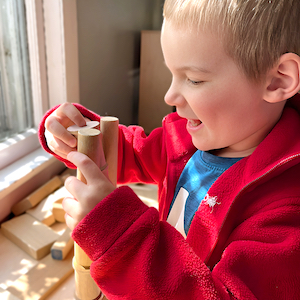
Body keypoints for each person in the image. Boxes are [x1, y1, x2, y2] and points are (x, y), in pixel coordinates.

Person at [39, 0, 300, 299]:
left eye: (194, 79)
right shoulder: (188, 140)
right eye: (172, 74)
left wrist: (118, 237)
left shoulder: (286, 210)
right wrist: (75, 134)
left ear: (278, 80)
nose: (169, 95)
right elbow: (132, 153)